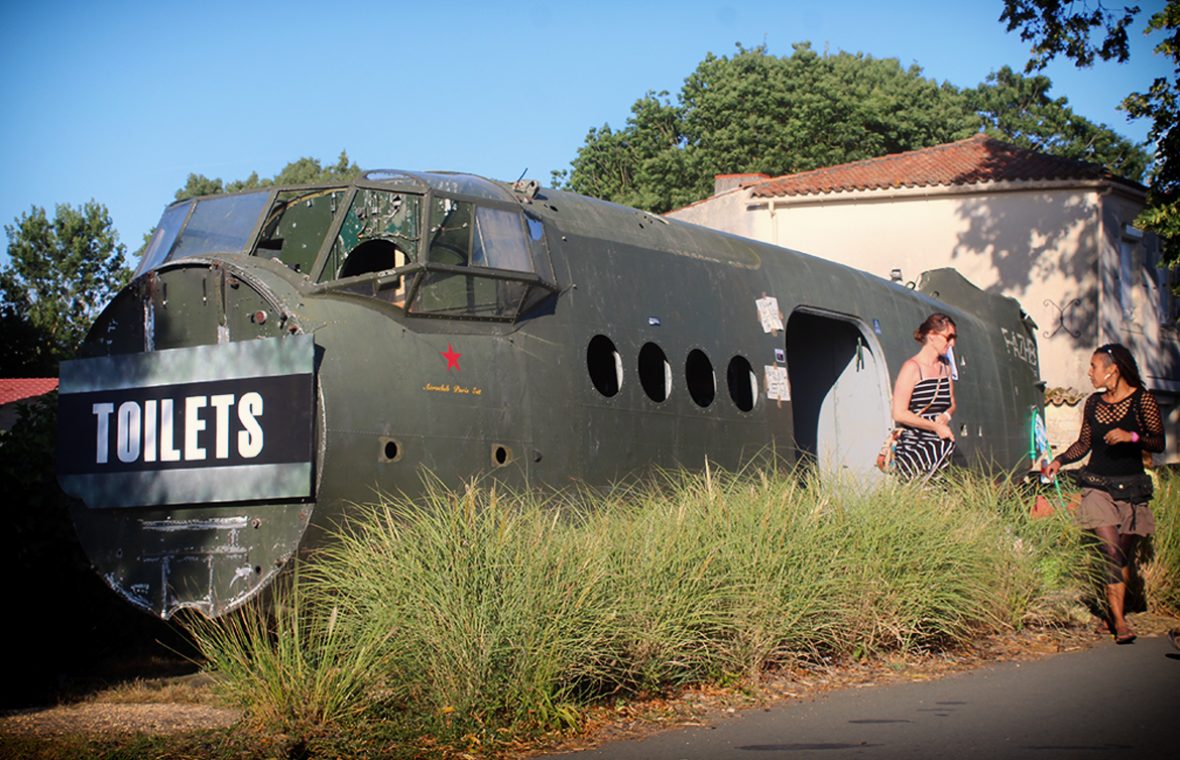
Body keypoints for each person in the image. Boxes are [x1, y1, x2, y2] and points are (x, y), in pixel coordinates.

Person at [1043, 344, 1165, 644]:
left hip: (1132, 489)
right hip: (1097, 485)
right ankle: (1121, 624)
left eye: (1094, 366)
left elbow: (1158, 441)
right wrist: (1059, 461)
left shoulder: (1142, 400)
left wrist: (1131, 436)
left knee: (1121, 555)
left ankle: (1112, 613)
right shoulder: (1094, 403)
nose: (1089, 372)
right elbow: (1084, 443)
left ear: (1112, 370)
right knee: (1110, 551)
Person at [890, 313, 957, 481]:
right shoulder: (912, 368)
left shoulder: (945, 367)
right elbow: (899, 413)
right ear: (932, 335)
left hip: (939, 445)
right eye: (949, 337)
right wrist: (934, 427)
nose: (952, 343)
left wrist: (946, 415)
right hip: (915, 445)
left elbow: (951, 403)